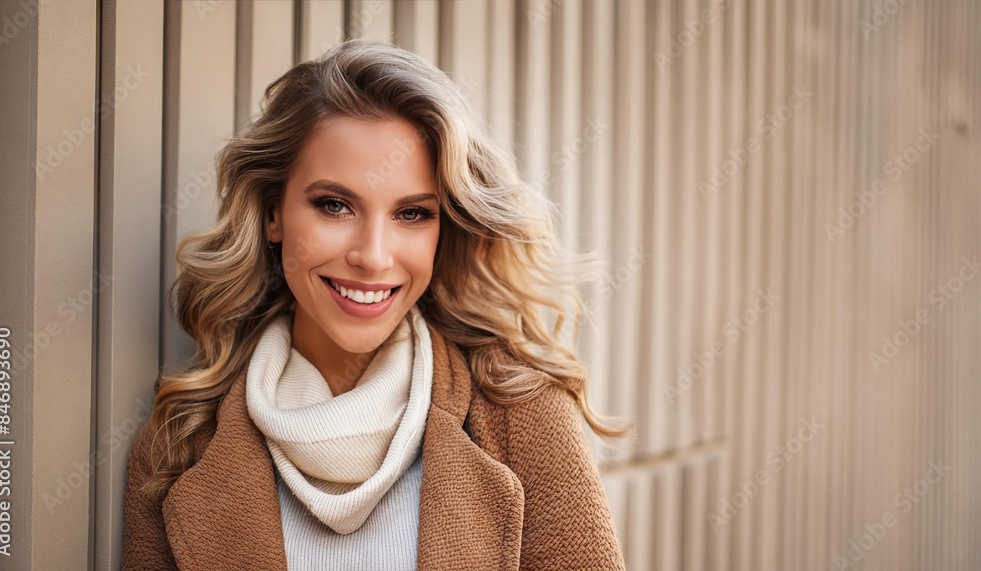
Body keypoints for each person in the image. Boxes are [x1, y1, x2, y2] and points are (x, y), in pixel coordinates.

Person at [121, 39, 630, 570]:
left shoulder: (525, 416)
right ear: (274, 213)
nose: (372, 256)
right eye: (334, 206)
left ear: (443, 229)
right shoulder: (178, 448)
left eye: (411, 214)